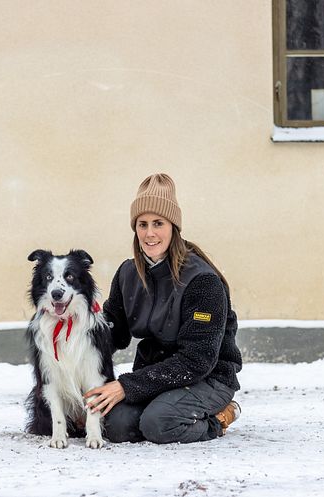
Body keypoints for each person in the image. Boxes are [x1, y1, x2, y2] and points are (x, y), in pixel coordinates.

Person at [84, 173, 242, 444]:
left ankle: (221, 417)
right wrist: (78, 336)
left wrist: (126, 386)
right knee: (115, 425)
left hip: (208, 377)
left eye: (158, 223)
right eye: (142, 224)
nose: (149, 233)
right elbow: (114, 330)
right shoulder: (128, 273)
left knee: (160, 423)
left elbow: (197, 360)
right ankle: (160, 406)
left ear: (173, 227)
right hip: (157, 374)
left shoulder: (202, 281)